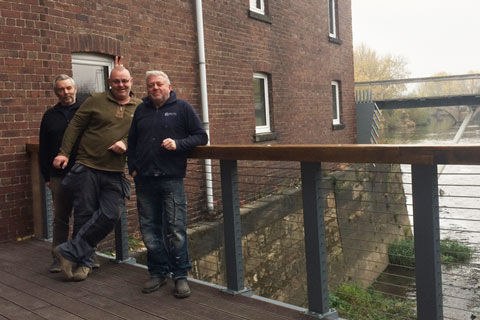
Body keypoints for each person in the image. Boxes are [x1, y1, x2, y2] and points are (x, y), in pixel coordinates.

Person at [52, 65, 142, 282]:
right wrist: (64, 152)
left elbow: (144, 134)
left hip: (115, 171)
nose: (121, 85)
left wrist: (126, 142)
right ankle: (84, 263)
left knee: (111, 214)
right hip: (88, 166)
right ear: (110, 83)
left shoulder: (140, 107)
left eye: (124, 81)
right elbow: (75, 126)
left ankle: (69, 251)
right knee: (84, 215)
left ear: (131, 82)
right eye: (116, 81)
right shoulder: (95, 100)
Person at [127, 71, 208, 298]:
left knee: (175, 229)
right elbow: (131, 141)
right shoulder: (141, 111)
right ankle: (158, 272)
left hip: (171, 178)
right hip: (144, 179)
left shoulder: (182, 108)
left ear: (169, 86)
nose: (155, 88)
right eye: (151, 85)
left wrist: (179, 143)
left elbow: (201, 136)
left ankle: (180, 276)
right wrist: (132, 167)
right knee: (149, 229)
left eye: (159, 84)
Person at [39, 75, 82, 273]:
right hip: (58, 175)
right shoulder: (49, 116)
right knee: (61, 218)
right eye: (61, 89)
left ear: (75, 88)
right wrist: (46, 176)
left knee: (85, 216)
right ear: (56, 92)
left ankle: (84, 256)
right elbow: (44, 148)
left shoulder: (86, 110)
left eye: (68, 88)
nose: (66, 92)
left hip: (83, 172)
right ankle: (58, 258)